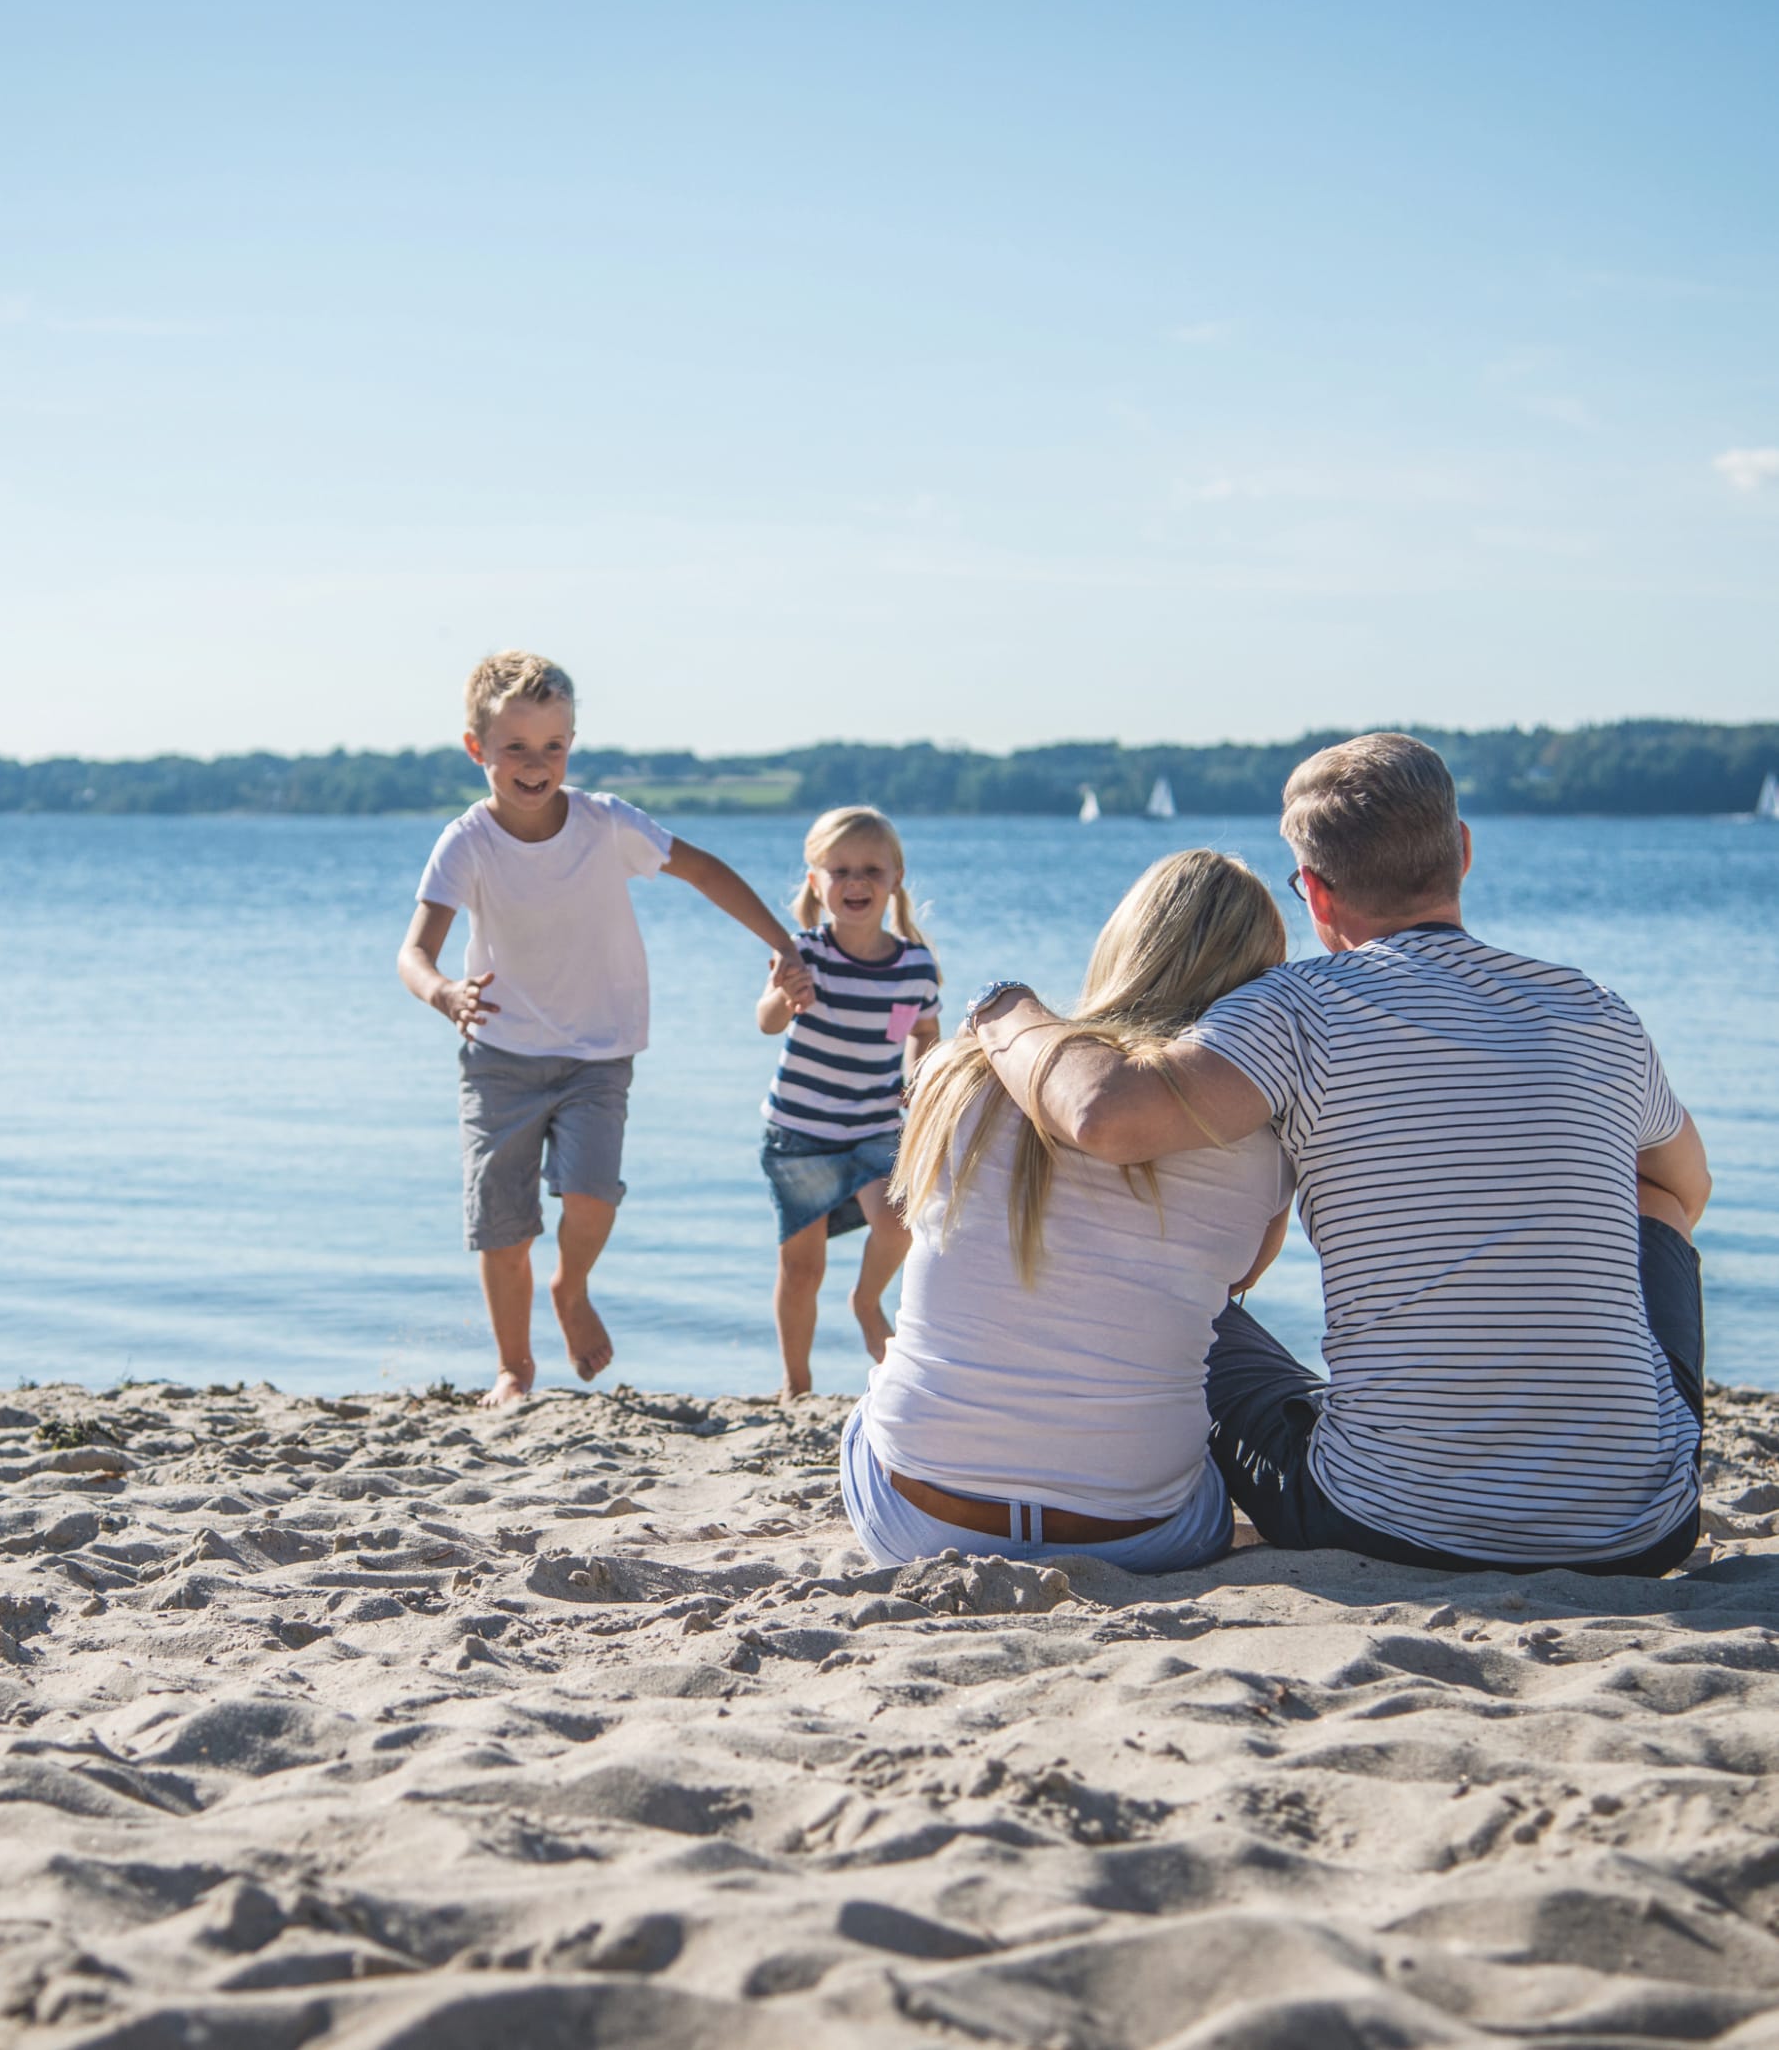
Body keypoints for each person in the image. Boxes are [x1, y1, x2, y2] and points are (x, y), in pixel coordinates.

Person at [972, 733, 1710, 1576]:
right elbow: (1685, 1190)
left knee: (1202, 1318)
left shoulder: (1296, 1011)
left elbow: (1103, 1114)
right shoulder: (1598, 1011)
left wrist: (1004, 1009)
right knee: (1655, 1202)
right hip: (1645, 1528)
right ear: (1462, 852)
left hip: (1388, 1522)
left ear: (1315, 895)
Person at [842, 850, 1294, 1574]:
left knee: (875, 1408)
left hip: (918, 1520)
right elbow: (1239, 1285)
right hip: (1138, 1536)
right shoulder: (1262, 1147)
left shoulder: (957, 1078)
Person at [398, 652, 814, 1409]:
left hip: (598, 1053)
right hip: (499, 1058)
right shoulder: (467, 842)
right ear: (476, 750)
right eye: (515, 749)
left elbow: (705, 871)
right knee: (502, 1225)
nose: (535, 765)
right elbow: (414, 951)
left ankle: (573, 1284)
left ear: (572, 745)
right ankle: (514, 1370)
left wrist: (783, 944)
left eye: (552, 747)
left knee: (593, 1197)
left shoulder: (605, 823)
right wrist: (444, 993)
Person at [756, 807, 942, 1398]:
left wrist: (918, 1083)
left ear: (896, 876)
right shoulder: (804, 952)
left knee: (899, 1224)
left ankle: (866, 1301)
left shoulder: (915, 965)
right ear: (816, 881)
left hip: (872, 1128)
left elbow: (923, 1033)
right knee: (802, 1268)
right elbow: (765, 1022)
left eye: (870, 869)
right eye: (840, 871)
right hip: (801, 1134)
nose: (855, 883)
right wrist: (785, 997)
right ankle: (796, 1381)